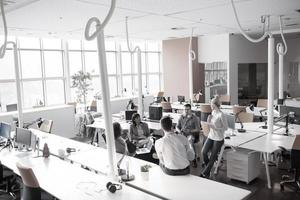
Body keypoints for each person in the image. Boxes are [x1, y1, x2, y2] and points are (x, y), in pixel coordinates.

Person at [200, 96, 228, 178]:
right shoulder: (213, 112)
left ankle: (206, 172)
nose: (210, 106)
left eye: (211, 104)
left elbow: (225, 128)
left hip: (218, 138)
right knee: (203, 152)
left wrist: (216, 128)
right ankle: (208, 167)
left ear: (216, 105)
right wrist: (208, 122)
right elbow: (211, 125)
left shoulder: (221, 115)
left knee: (213, 156)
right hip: (211, 135)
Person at [176, 103, 200, 167]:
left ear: (190, 110)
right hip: (182, 134)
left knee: (189, 141)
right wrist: (179, 131)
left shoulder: (195, 118)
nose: (186, 111)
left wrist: (189, 131)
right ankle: (181, 158)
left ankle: (193, 159)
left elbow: (198, 129)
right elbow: (177, 127)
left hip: (191, 134)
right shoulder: (181, 117)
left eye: (187, 109)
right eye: (185, 109)